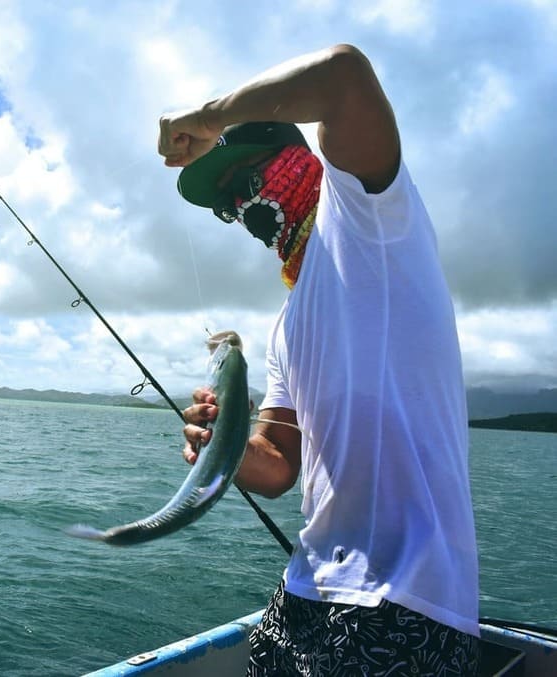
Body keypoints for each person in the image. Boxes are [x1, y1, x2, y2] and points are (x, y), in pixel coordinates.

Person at [158, 44, 480, 675]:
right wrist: (224, 441)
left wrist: (210, 115)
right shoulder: (285, 324)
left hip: (407, 601)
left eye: (246, 182)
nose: (242, 212)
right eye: (229, 205)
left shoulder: (370, 217)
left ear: (300, 160)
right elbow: (278, 468)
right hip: (304, 592)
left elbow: (342, 76)